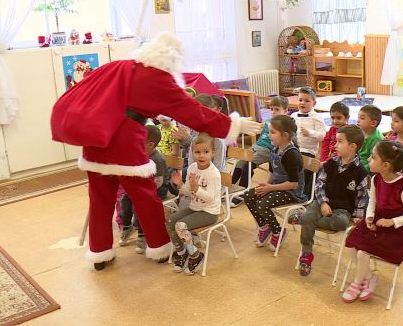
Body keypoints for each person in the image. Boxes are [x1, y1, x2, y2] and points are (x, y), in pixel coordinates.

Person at [50, 32, 261, 270]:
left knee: (99, 199)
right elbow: (193, 111)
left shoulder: (118, 66)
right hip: (123, 143)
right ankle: (159, 247)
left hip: (95, 141)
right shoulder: (157, 78)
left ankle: (100, 253)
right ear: (171, 62)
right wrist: (232, 124)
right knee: (145, 197)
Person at [341, 140, 403, 303]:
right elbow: (372, 201)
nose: (368, 159)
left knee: (363, 252)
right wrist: (369, 216)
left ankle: (357, 282)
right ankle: (369, 277)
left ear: (386, 165)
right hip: (377, 221)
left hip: (398, 231)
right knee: (350, 244)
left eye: (373, 157)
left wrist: (392, 222)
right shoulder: (376, 179)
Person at [296, 125, 368, 276]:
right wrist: (323, 202)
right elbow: (319, 184)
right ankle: (307, 254)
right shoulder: (330, 164)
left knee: (340, 223)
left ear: (352, 146)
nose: (335, 145)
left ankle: (303, 219)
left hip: (342, 210)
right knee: (311, 215)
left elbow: (362, 197)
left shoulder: (361, 172)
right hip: (323, 201)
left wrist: (358, 216)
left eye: (340, 142)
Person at [244, 115, 307, 252]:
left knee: (262, 205)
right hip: (277, 187)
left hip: (292, 192)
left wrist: (269, 188)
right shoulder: (274, 149)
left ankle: (278, 231)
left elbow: (294, 184)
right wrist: (264, 187)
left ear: (285, 135)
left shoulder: (291, 154)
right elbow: (272, 173)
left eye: (272, 132)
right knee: (248, 196)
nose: (268, 135)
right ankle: (264, 227)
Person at [167, 133, 222, 275]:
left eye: (206, 152)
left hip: (210, 212)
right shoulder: (192, 168)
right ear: (192, 152)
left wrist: (196, 188)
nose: (201, 155)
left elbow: (210, 198)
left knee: (181, 226)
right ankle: (181, 253)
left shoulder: (213, 174)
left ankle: (196, 255)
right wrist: (180, 185)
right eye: (197, 152)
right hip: (195, 208)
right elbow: (188, 192)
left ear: (213, 153)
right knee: (171, 221)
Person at [231, 96, 289, 206]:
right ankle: (229, 189)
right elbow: (261, 127)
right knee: (239, 164)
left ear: (285, 111)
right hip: (256, 146)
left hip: (267, 150)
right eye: (271, 109)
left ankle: (242, 193)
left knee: (247, 165)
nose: (273, 112)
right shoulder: (268, 121)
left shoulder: (284, 124)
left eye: (277, 109)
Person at [118, 125, 168, 253]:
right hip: (141, 187)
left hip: (158, 188)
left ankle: (142, 234)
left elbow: (158, 182)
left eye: (139, 142)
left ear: (151, 145)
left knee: (139, 204)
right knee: (124, 199)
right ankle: (127, 227)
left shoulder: (158, 159)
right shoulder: (140, 154)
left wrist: (140, 190)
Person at [291, 86, 326, 197]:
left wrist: (310, 133)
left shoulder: (317, 117)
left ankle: (303, 194)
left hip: (308, 150)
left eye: (307, 101)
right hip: (293, 148)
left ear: (314, 103)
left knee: (304, 168)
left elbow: (322, 136)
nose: (303, 103)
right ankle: (289, 188)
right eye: (300, 100)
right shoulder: (293, 115)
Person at [356, 104, 383, 172]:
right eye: (358, 117)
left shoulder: (377, 139)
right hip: (358, 161)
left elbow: (374, 161)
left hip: (368, 168)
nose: (358, 120)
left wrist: (360, 171)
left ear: (373, 123)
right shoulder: (360, 131)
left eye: (362, 118)